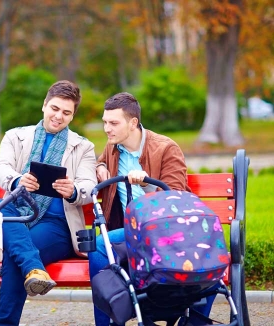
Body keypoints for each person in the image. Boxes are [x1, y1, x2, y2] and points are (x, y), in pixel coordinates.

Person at [88, 92, 216, 325]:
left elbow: (176, 195)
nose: (107, 128)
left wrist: (147, 184)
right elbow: (100, 160)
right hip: (131, 232)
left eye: (113, 123)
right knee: (100, 245)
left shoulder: (166, 148)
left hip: (164, 230)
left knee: (98, 245)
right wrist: (101, 166)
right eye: (105, 122)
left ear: (133, 123)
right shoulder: (113, 146)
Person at [0, 80, 97, 325]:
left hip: (57, 225)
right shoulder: (15, 136)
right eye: (55, 108)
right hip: (19, 215)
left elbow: (89, 186)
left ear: (72, 116)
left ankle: (29, 271)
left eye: (66, 113)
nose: (58, 116)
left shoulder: (83, 147)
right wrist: (17, 181)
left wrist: (73, 191)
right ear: (44, 105)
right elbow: (1, 168)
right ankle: (34, 269)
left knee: (17, 258)